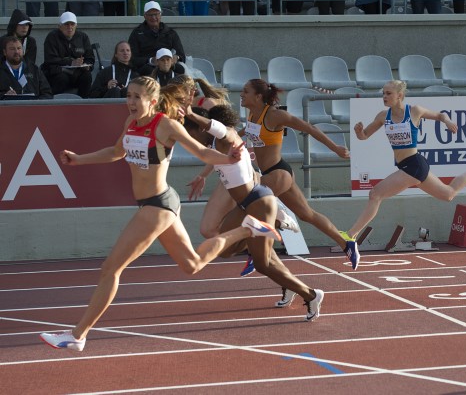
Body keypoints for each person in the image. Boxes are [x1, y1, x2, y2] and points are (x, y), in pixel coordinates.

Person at [37, 76, 279, 351]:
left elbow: (201, 151)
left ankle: (78, 335)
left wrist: (227, 159)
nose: (130, 102)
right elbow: (116, 152)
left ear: (152, 101)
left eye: (136, 97)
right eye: (128, 96)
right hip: (154, 204)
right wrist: (79, 159)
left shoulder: (165, 125)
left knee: (110, 269)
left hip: (158, 204)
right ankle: (248, 228)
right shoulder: (130, 123)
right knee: (193, 264)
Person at [185, 78, 361, 282]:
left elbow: (309, 128)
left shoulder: (276, 116)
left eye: (246, 91)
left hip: (278, 173)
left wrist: (336, 148)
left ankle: (264, 238)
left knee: (249, 208)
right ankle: (345, 242)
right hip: (271, 174)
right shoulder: (252, 116)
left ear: (258, 96)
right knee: (307, 214)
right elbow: (233, 140)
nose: (241, 95)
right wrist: (203, 174)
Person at [178, 92, 325, 321]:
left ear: (201, 129)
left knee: (262, 264)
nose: (191, 138)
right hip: (245, 206)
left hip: (259, 202)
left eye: (191, 132)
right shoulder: (215, 146)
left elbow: (220, 129)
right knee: (224, 249)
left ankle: (311, 294)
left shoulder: (227, 137)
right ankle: (264, 229)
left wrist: (190, 115)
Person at [346, 80, 466, 240]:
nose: (384, 96)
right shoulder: (383, 116)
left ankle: (351, 235)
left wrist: (448, 121)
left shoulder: (414, 111)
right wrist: (359, 131)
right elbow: (364, 136)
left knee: (375, 194)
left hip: (414, 165)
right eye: (383, 93)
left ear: (400, 95)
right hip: (409, 166)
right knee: (448, 194)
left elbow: (440, 115)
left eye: (389, 93)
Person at [40, 12, 94, 97]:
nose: (70, 27)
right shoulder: (52, 37)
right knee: (62, 78)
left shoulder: (83, 37)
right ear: (60, 26)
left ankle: (84, 104)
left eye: (72, 24)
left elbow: (90, 58)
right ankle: (55, 105)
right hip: (57, 73)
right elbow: (50, 60)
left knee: (87, 76)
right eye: (66, 24)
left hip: (77, 73)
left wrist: (87, 66)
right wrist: (70, 63)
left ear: (76, 25)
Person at [128, 1, 186, 76]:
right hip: (147, 68)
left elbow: (182, 56)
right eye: (150, 15)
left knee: (181, 70)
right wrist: (150, 60)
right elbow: (132, 59)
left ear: (160, 15)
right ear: (145, 16)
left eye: (156, 14)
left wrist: (176, 57)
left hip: (167, 65)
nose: (153, 17)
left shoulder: (170, 33)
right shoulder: (137, 33)